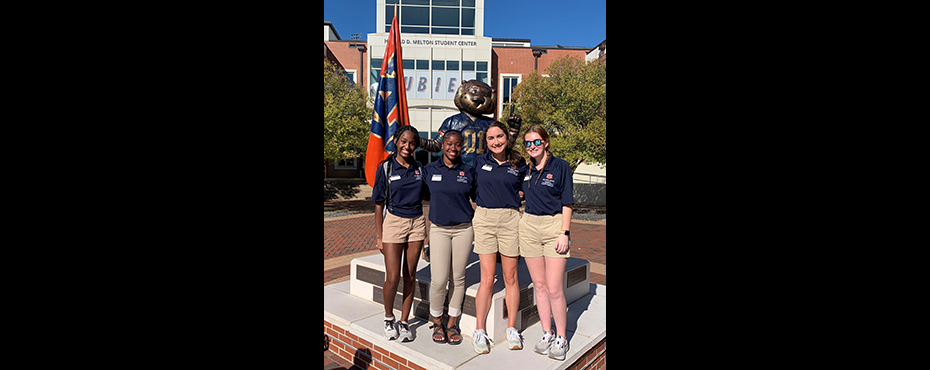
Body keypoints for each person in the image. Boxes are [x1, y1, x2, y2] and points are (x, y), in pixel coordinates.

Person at [470, 121, 529, 354]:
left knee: (510, 276)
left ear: (507, 137)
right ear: (486, 142)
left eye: (500, 136)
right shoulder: (479, 162)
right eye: (491, 138)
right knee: (487, 278)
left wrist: (523, 193)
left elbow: (527, 187)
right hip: (484, 218)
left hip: (510, 219)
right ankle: (479, 329)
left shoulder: (518, 163)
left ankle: (512, 328)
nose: (496, 142)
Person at [519, 125, 574, 361]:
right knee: (539, 286)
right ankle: (546, 332)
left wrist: (565, 232)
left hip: (554, 226)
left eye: (536, 142)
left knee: (554, 288)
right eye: (528, 143)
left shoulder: (560, 166)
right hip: (529, 225)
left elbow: (568, 202)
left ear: (546, 142)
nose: (532, 146)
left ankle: (561, 336)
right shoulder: (525, 167)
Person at [372, 125, 429, 343]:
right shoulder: (386, 168)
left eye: (412, 143)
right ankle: (389, 318)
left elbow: (427, 195)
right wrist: (379, 236)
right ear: (396, 141)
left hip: (416, 223)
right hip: (393, 223)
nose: (407, 146)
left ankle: (404, 323)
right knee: (393, 277)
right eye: (404, 141)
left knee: (411, 276)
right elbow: (378, 204)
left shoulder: (419, 167)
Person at [420, 130, 477, 346]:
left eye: (458, 145)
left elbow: (480, 196)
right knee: (439, 279)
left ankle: (452, 322)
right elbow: (422, 193)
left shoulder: (468, 171)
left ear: (462, 146)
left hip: (464, 229)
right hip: (439, 230)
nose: (453, 148)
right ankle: (436, 320)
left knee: (458, 278)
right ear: (443, 144)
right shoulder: (430, 169)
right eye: (449, 144)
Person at [419, 80, 521, 167]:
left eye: (485, 95)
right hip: (459, 170)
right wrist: (416, 140)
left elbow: (502, 150)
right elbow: (436, 145)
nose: (479, 97)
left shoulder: (492, 124)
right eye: (474, 91)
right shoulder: (452, 122)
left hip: (485, 172)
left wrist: (513, 131)